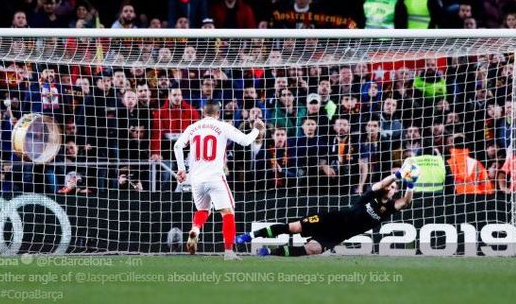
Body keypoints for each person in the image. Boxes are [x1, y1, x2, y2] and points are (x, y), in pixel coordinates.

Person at [236, 161, 417, 257]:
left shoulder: (391, 207)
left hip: (339, 235)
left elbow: (406, 202)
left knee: (312, 250)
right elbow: (383, 182)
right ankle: (250, 236)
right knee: (293, 227)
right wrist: (399, 175)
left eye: (395, 188)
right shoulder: (373, 194)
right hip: (332, 218)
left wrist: (411, 184)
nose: (392, 188)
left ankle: (269, 252)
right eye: (392, 187)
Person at [174, 100, 265, 260]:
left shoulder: (193, 127)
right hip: (215, 177)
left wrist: (181, 168)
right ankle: (229, 252)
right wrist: (256, 130)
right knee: (227, 212)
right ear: (218, 113)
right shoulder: (223, 126)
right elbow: (245, 141)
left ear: (203, 113)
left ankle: (195, 229)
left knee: (203, 210)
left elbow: (177, 146)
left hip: (196, 179)